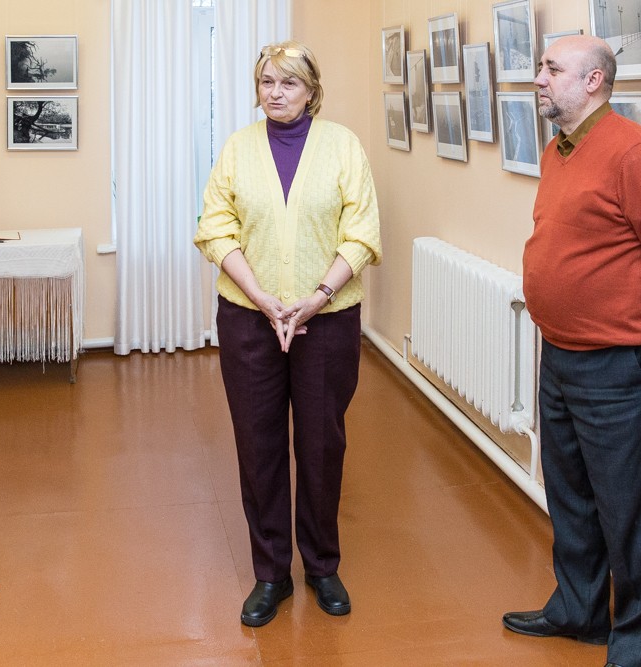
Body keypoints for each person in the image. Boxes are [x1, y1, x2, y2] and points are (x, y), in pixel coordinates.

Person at [503, 35, 641, 667]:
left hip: (618, 365)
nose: (539, 78)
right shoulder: (559, 149)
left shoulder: (633, 153)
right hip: (560, 355)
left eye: (552, 68)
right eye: (541, 67)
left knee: (633, 511)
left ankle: (639, 648)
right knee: (571, 497)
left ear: (593, 81)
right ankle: (580, 610)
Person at [194, 40, 382, 627]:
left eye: (289, 83)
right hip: (249, 320)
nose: (275, 93)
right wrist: (260, 296)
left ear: (312, 90)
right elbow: (215, 227)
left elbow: (362, 232)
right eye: (267, 82)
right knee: (259, 443)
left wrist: (316, 297)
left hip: (327, 320)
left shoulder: (343, 146)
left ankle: (322, 565)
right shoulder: (237, 147)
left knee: (323, 444)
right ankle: (271, 572)